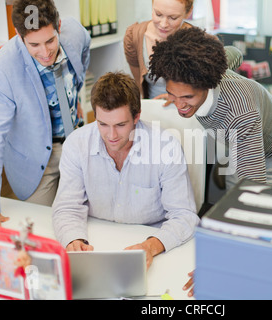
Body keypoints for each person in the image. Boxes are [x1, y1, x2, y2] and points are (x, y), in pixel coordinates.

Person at [52, 72, 199, 268]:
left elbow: (184, 215)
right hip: (95, 241)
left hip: (153, 243)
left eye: (121, 125)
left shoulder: (166, 147)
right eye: (103, 124)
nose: (111, 135)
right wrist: (73, 239)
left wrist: (151, 246)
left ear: (136, 117)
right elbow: (67, 206)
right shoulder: (77, 144)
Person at [0, 0, 90, 226]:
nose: (45, 52)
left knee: (90, 219)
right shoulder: (2, 69)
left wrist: (75, 93)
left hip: (78, 143)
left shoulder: (74, 32)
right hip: (37, 161)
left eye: (50, 40)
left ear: (58, 25)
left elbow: (84, 49)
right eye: (34, 45)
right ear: (19, 36)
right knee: (41, 228)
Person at [149, 27, 272, 190]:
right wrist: (176, 95)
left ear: (207, 85)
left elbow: (252, 188)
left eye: (188, 97)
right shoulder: (207, 69)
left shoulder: (241, 115)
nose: (180, 105)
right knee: (233, 194)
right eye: (172, 93)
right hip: (240, 144)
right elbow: (234, 52)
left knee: (268, 208)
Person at [124, 0, 194, 101]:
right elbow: (139, 85)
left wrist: (179, 98)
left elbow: (207, 91)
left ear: (188, 12)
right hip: (153, 106)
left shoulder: (199, 43)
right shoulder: (134, 37)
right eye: (158, 14)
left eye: (173, 18)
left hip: (188, 108)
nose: (163, 24)